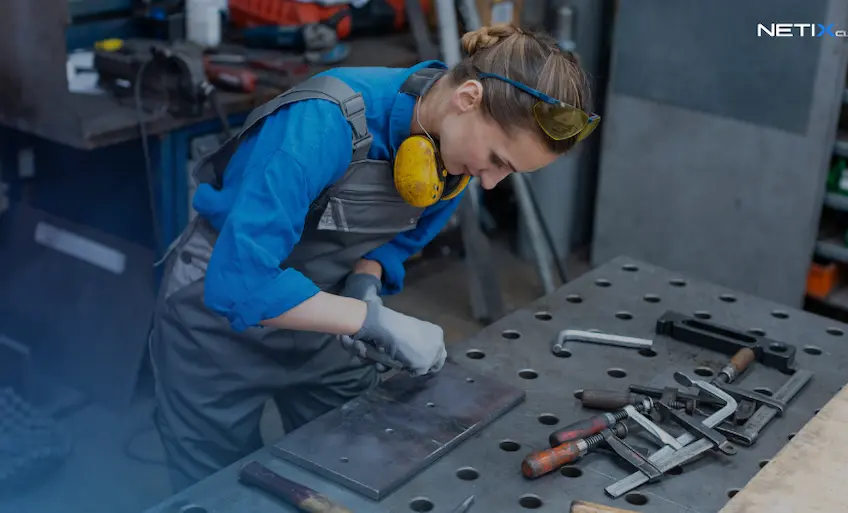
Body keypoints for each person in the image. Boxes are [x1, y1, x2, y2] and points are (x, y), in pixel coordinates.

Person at [149, 22, 597, 491]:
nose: (490, 183)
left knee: (353, 470)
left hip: (325, 325)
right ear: (467, 98)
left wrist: (366, 281)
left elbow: (396, 239)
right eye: (499, 159)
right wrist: (369, 321)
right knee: (217, 490)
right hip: (215, 332)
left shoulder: (449, 155)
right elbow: (239, 281)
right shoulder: (320, 125)